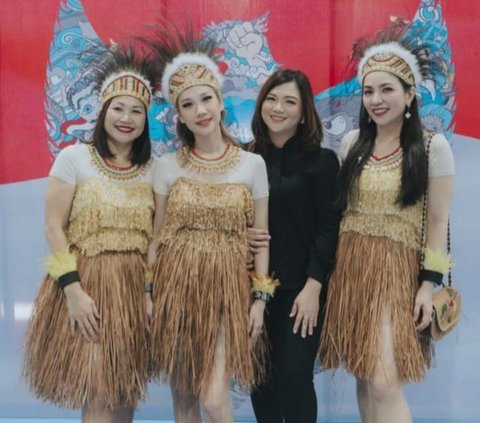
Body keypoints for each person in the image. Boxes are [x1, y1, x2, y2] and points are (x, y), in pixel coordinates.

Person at [319, 26, 455, 423]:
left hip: (397, 272)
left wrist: (427, 286)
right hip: (352, 268)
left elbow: (437, 220)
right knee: (363, 373)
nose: (376, 100)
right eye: (368, 91)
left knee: (383, 380)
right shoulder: (352, 145)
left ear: (410, 94)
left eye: (387, 90)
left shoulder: (433, 147)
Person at [145, 33, 276, 423]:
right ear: (179, 115)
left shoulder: (253, 165)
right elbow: (157, 235)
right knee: (184, 400)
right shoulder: (167, 166)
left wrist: (259, 298)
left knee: (215, 401)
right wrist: (149, 292)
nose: (199, 110)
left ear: (220, 103)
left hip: (226, 289)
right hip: (176, 287)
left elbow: (262, 238)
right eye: (188, 104)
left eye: (205, 99)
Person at [23, 46, 156, 423]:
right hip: (87, 285)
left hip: (131, 289)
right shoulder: (73, 158)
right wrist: (73, 290)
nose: (126, 118)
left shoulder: (154, 169)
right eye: (118, 107)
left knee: (124, 391)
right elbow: (53, 226)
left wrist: (148, 293)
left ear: (146, 119)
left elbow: (156, 238)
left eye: (136, 110)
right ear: (103, 110)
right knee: (97, 395)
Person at [246, 69, 340, 423]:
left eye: (289, 101)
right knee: (261, 378)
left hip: (301, 289)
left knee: (296, 375)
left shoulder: (322, 161)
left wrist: (314, 285)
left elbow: (330, 226)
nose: (278, 108)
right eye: (271, 98)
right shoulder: (245, 157)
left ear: (304, 113)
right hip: (251, 288)